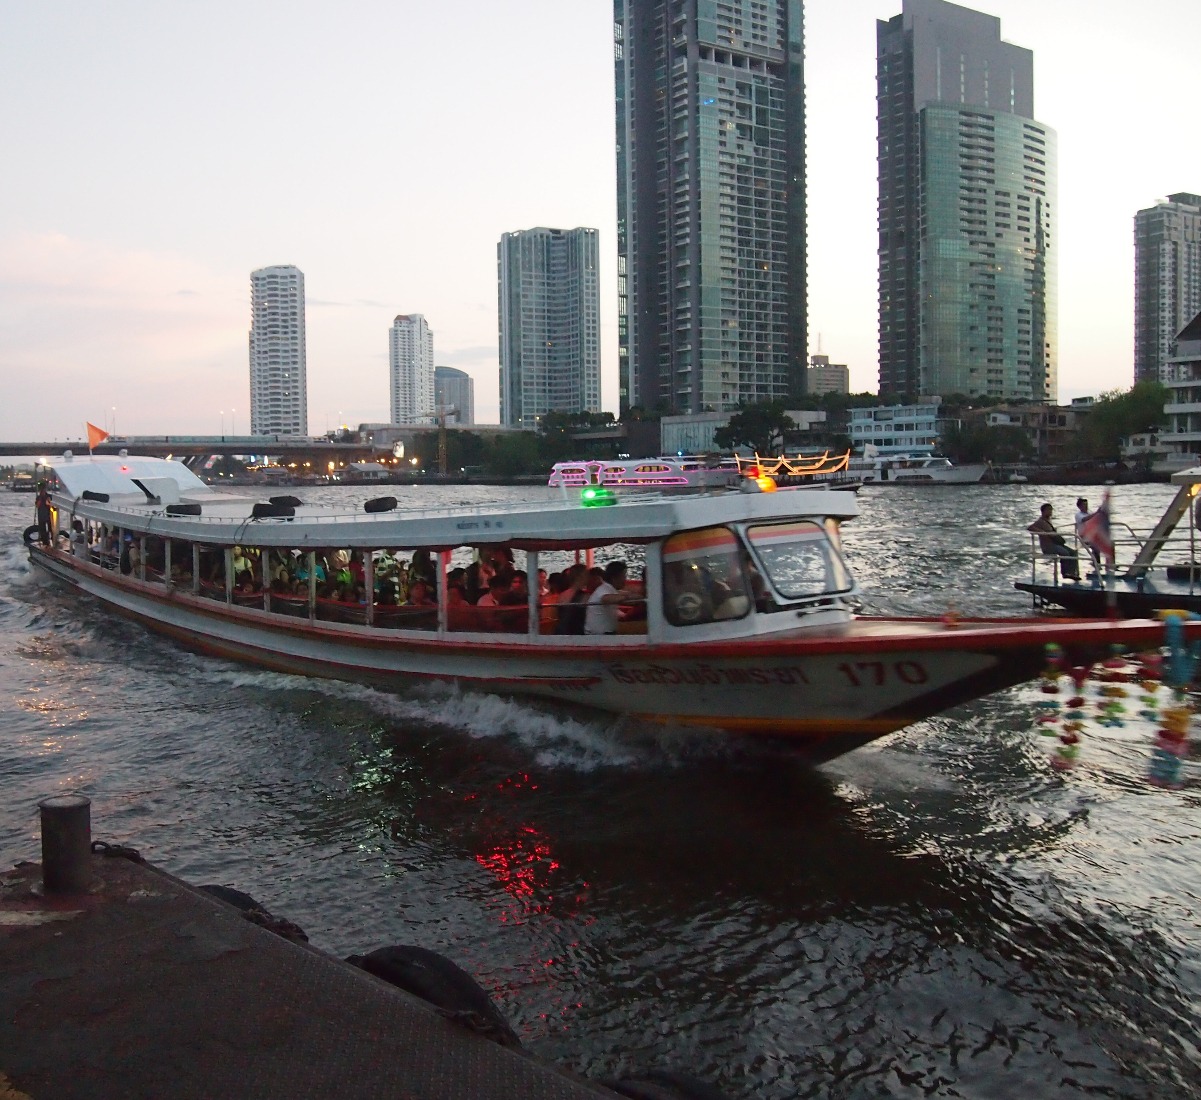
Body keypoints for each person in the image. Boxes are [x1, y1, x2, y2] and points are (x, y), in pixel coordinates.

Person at [1027, 502, 1078, 580]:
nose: (1050, 511)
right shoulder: (1040, 521)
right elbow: (1030, 527)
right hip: (1049, 546)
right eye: (1048, 510)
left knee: (1073, 552)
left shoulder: (1049, 520)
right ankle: (1065, 573)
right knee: (1065, 553)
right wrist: (1042, 532)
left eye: (1051, 510)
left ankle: (1072, 572)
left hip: (1055, 544)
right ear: (1043, 511)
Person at [585, 560, 629, 635]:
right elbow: (605, 598)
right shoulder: (604, 589)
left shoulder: (610, 589)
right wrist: (627, 597)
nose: (625, 579)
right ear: (615, 578)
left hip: (605, 634)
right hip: (598, 636)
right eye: (624, 576)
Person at [34, 481, 52, 546]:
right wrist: (41, 498)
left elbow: (50, 504)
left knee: (51, 528)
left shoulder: (49, 496)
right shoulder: (38, 498)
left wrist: (45, 498)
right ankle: (45, 542)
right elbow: (37, 506)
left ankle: (52, 540)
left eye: (43, 489)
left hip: (48, 515)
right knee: (42, 530)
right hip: (41, 516)